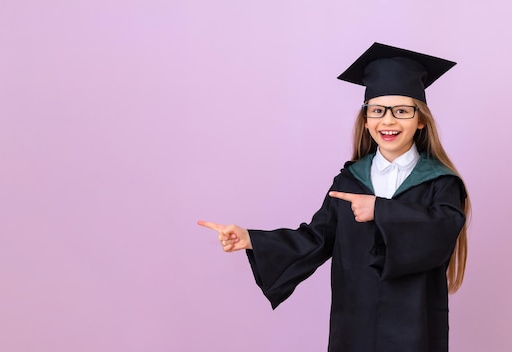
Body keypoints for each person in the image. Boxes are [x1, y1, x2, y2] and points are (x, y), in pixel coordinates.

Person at [198, 42, 471, 352]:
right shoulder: (350, 180)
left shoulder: (440, 182)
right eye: (378, 111)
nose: (389, 121)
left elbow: (444, 229)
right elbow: (318, 237)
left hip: (413, 324)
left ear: (420, 120)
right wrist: (251, 239)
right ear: (366, 119)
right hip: (356, 320)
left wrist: (381, 211)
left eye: (402, 111)